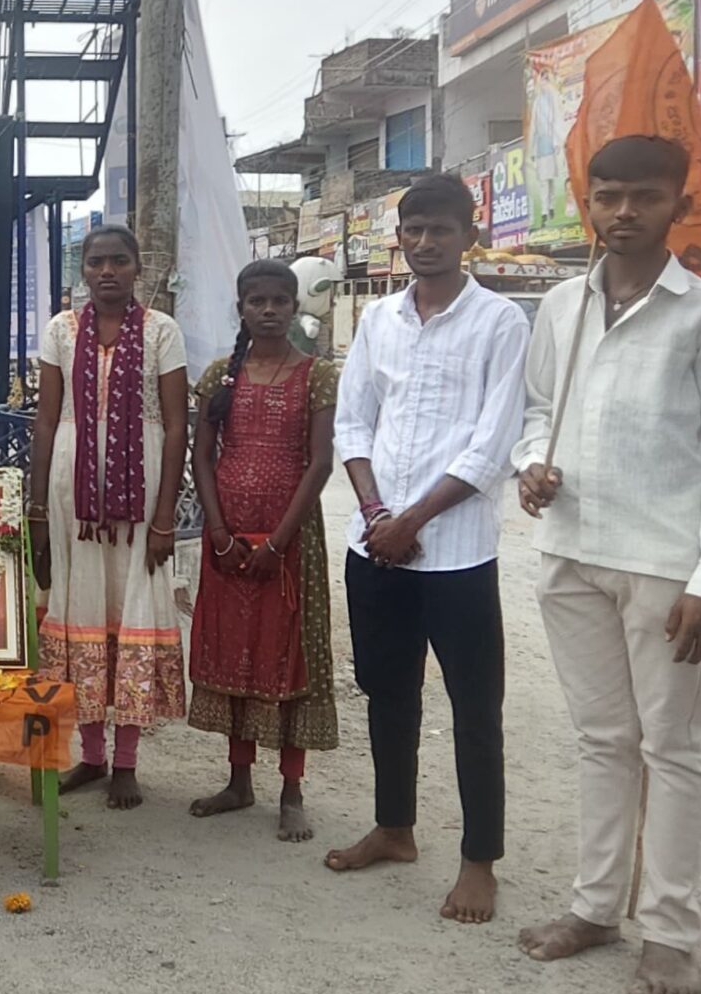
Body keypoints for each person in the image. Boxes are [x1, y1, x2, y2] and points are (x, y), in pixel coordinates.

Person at [513, 135, 701, 994]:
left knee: (676, 749)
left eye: (642, 197)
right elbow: (541, 410)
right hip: (572, 550)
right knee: (602, 741)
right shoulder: (558, 308)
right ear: (589, 200)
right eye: (608, 196)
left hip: (665, 564)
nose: (623, 212)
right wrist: (532, 462)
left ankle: (670, 933)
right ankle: (594, 907)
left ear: (676, 204)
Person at [328, 173, 529, 923]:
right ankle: (394, 827)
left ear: (468, 236)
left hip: (457, 551)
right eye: (412, 228)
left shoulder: (501, 322)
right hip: (375, 544)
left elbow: (492, 444)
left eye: (440, 228)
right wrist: (379, 514)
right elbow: (353, 423)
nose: (423, 241)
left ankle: (480, 861)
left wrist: (412, 521)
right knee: (387, 692)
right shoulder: (380, 320)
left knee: (476, 705)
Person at [30, 223, 189, 810]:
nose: (106, 272)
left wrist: (166, 514)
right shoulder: (60, 330)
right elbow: (46, 422)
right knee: (81, 611)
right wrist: (39, 508)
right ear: (82, 269)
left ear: (136, 267)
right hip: (73, 494)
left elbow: (177, 426)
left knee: (133, 612)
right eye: (96, 262)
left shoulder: (161, 332)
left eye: (119, 261)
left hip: (140, 497)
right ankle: (91, 757)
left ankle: (126, 763)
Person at [186, 260, 339, 841]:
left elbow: (320, 462)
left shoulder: (317, 375)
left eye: (280, 300)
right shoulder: (220, 375)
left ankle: (291, 789)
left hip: (289, 539)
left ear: (295, 305)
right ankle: (238, 779)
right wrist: (218, 530)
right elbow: (202, 457)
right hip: (226, 535)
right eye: (257, 301)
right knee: (237, 649)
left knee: (286, 653)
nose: (269, 310)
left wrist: (279, 541)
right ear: (242, 308)